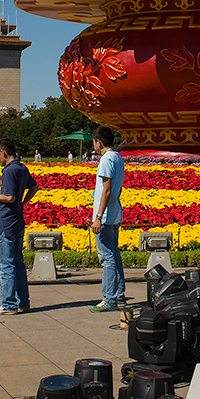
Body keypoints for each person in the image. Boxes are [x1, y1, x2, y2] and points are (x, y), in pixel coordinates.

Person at [0, 137, 38, 316]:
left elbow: (9, 197)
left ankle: (8, 304)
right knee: (18, 264)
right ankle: (23, 302)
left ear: (3, 152)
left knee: (6, 265)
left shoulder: (9, 171)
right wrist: (23, 203)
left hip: (6, 222)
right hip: (17, 221)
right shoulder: (22, 168)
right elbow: (34, 187)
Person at [90, 125, 125, 312]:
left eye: (94, 142)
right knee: (114, 255)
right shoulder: (118, 158)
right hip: (115, 213)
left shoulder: (105, 160)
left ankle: (109, 297)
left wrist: (98, 216)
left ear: (99, 142)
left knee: (107, 257)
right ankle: (119, 295)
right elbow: (117, 189)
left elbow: (107, 190)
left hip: (105, 216)